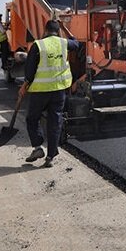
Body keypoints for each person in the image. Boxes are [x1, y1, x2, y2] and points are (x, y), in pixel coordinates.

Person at [19, 19, 79, 167]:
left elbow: (30, 70)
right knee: (55, 122)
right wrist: (65, 28)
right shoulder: (64, 43)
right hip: (59, 90)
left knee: (32, 119)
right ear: (58, 31)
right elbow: (76, 43)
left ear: (45, 30)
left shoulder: (38, 45)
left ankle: (38, 148)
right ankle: (50, 156)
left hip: (40, 91)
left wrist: (24, 85)